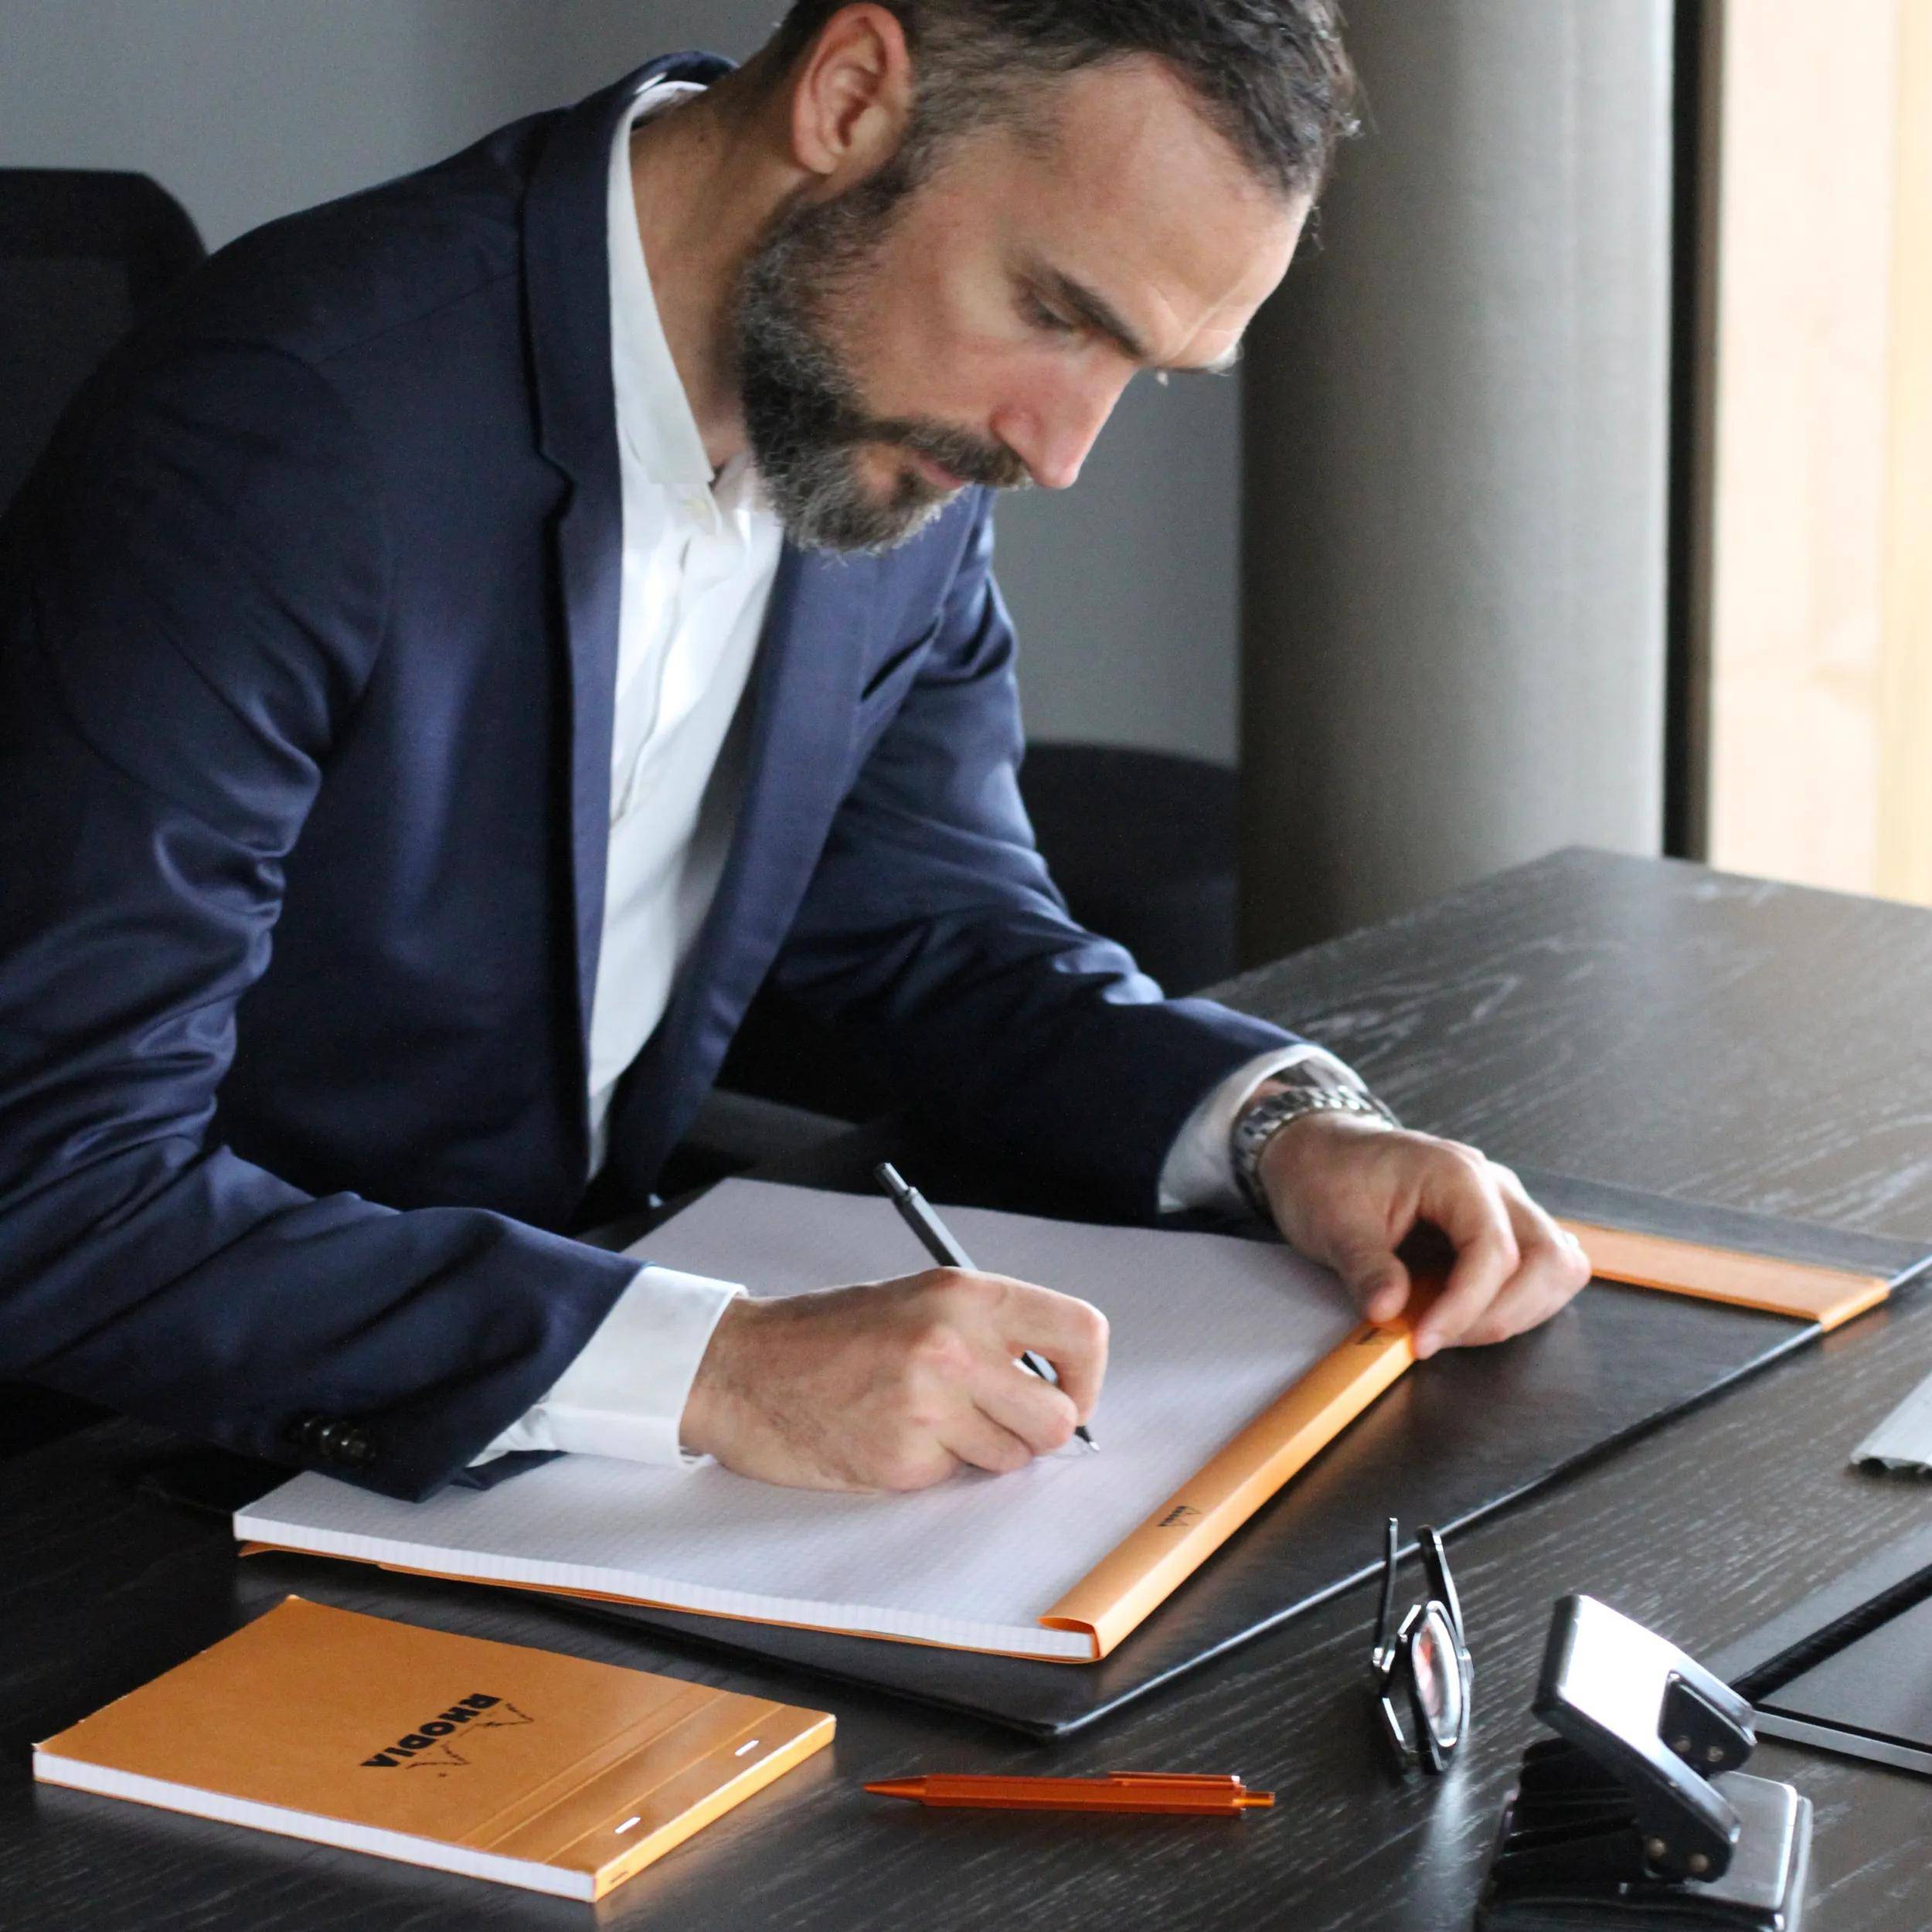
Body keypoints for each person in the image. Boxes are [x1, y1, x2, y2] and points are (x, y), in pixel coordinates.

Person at [0, 2, 1587, 1505]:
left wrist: (1280, 1132)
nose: (1057, 450)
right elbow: (65, 1186)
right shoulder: (288, 431)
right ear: (846, 99)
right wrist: (722, 1368)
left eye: (1138, 372)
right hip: (139, 1466)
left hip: (560, 1460)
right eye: (1052, 312)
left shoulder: (876, 430)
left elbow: (936, 928)